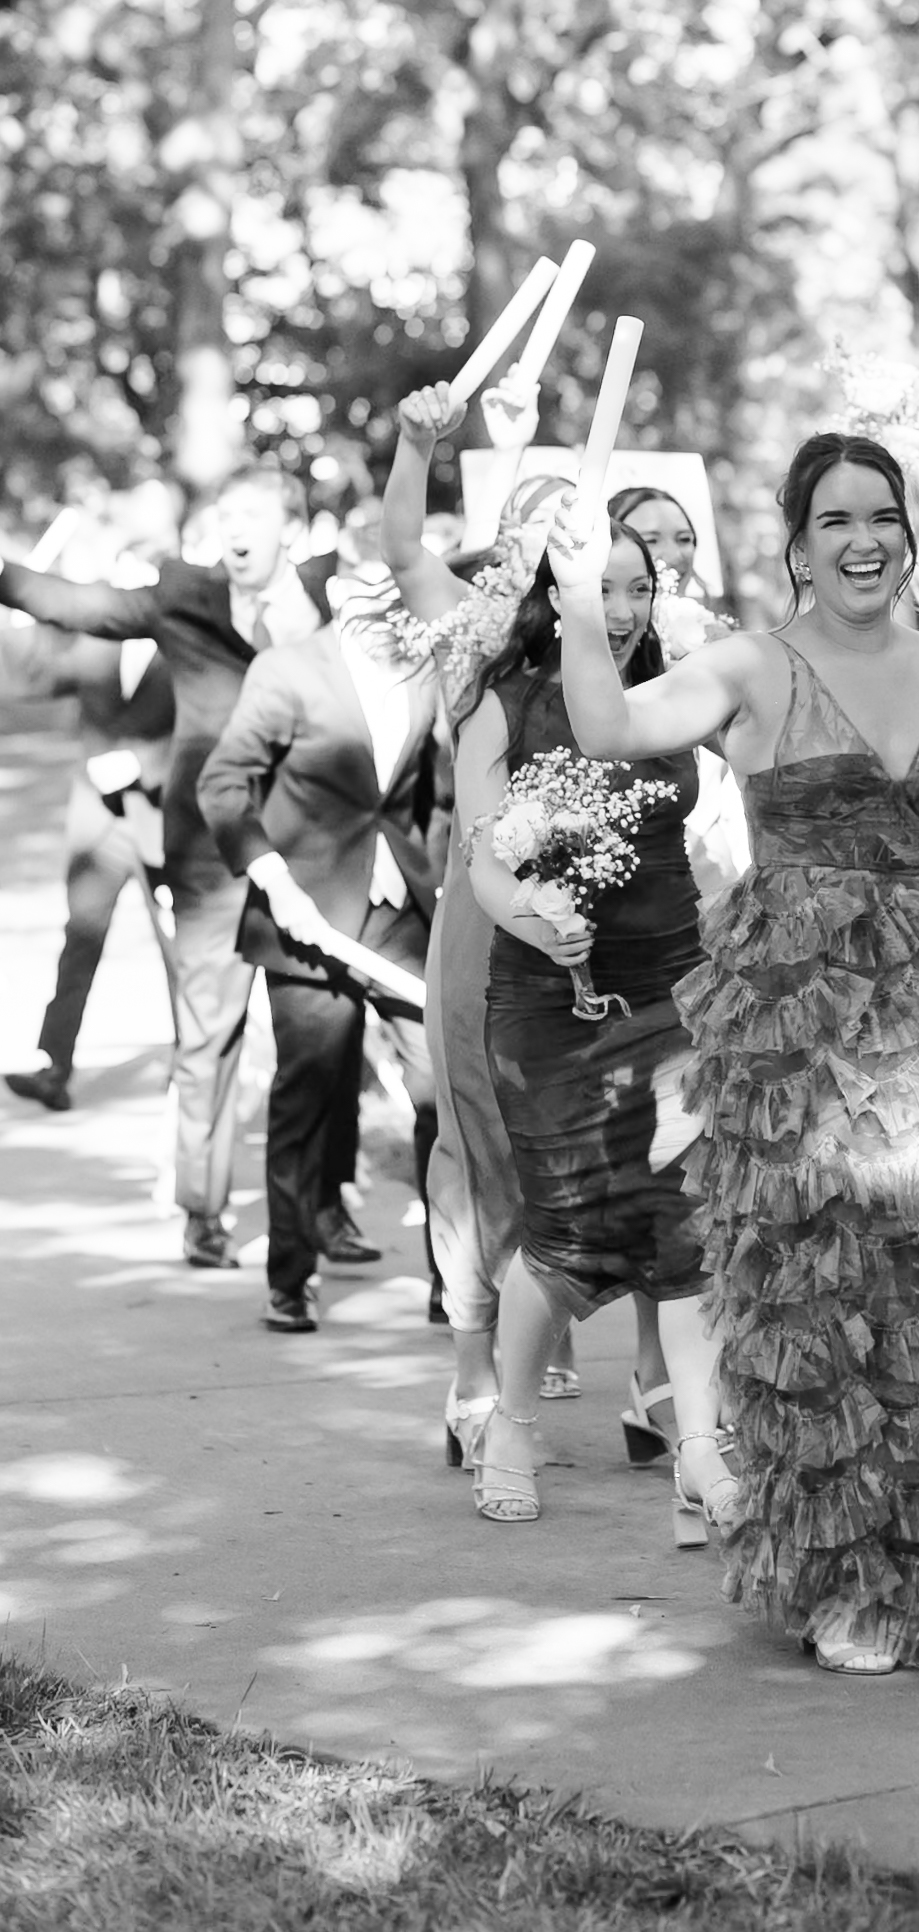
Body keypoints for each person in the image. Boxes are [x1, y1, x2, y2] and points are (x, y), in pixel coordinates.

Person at [548, 431, 919, 1676]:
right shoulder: (753, 663)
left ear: (905, 533)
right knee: (817, 1294)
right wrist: (580, 602)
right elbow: (610, 726)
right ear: (796, 541)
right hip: (791, 1017)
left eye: (881, 516)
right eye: (835, 519)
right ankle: (841, 1578)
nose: (863, 540)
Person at [456, 519, 727, 1534]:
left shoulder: (672, 696)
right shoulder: (504, 706)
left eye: (637, 589)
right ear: (554, 597)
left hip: (672, 990)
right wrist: (539, 918)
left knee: (688, 1218)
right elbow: (485, 858)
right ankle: (511, 1422)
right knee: (566, 1232)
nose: (620, 612)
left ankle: (699, 1446)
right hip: (545, 1005)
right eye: (599, 589)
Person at [0, 461, 336, 1266]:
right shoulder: (185, 591)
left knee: (323, 1042)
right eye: (227, 513)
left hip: (317, 852)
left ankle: (320, 1210)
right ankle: (203, 1211)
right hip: (208, 855)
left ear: (289, 523)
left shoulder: (331, 593)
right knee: (205, 1038)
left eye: (252, 512)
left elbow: (431, 575)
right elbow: (77, 603)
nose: (236, 527)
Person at [381, 378, 594, 1451]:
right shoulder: (472, 640)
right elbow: (400, 545)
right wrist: (419, 444)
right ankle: (472, 1373)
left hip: (589, 930)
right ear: (508, 548)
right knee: (476, 1142)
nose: (554, 547)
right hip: (479, 918)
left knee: (573, 1147)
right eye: (534, 527)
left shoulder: (622, 649)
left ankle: (569, 1340)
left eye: (573, 526)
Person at [196, 607, 441, 1332]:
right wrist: (277, 885)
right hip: (307, 915)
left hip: (403, 917)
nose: (388, 603)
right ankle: (291, 1275)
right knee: (307, 1096)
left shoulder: (429, 662)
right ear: (338, 588)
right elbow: (224, 783)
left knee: (440, 1094)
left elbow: (432, 789)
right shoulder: (289, 669)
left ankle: (453, 1280)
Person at [0, 618, 175, 1111]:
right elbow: (28, 667)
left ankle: (193, 1073)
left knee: (178, 951)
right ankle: (53, 1064)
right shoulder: (95, 645)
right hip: (97, 826)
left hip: (157, 820)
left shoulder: (187, 641)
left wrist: (142, 765)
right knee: (80, 939)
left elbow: (207, 725)